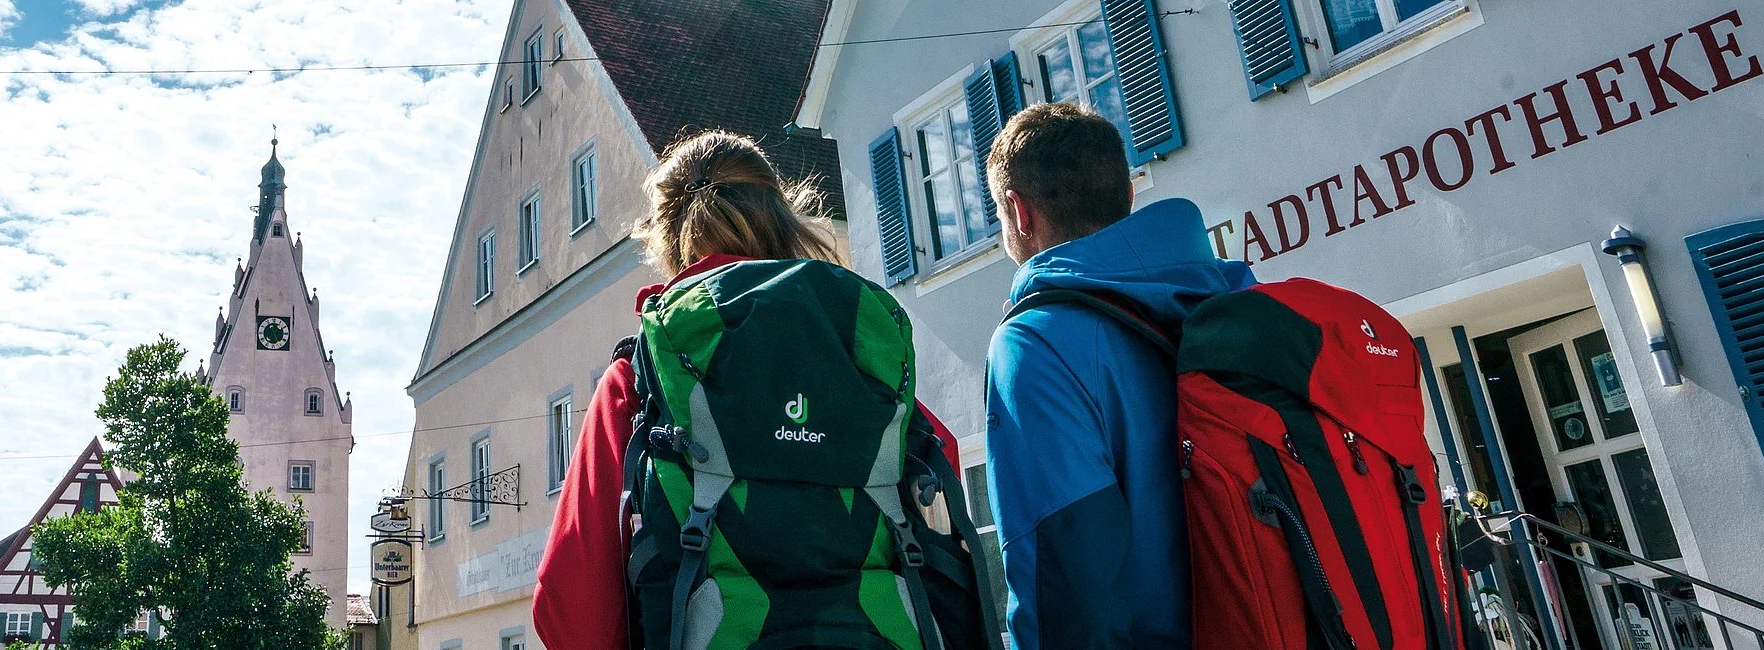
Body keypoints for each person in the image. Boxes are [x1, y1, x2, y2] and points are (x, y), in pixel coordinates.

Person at [533, 130, 963, 649]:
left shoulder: (642, 378)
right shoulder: (855, 349)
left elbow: (569, 603)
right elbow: (942, 468)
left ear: (669, 239)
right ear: (782, 217)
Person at [982, 102, 1254, 649]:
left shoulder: (1035, 342)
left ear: (1018, 212)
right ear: (1128, 196)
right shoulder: (1243, 305)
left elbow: (1065, 592)